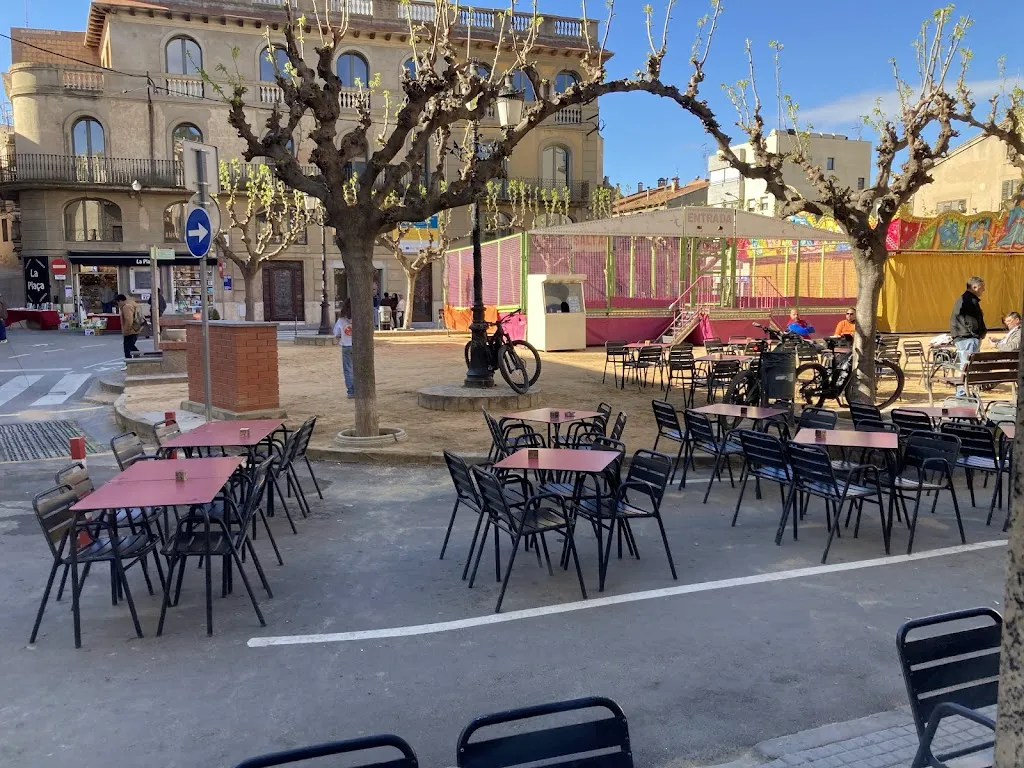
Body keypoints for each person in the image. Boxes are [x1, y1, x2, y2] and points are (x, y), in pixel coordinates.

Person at [950, 276, 987, 395]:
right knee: (966, 367)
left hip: (964, 337)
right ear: (974, 287)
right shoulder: (969, 300)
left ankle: (965, 392)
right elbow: (971, 321)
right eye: (982, 287)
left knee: (966, 366)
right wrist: (977, 334)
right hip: (968, 338)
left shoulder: (965, 299)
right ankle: (962, 393)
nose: (984, 290)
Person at [333, 298, 355, 399]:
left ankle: (351, 391)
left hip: (346, 345)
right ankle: (360, 389)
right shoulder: (359, 318)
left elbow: (337, 333)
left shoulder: (341, 320)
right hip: (358, 346)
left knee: (348, 369)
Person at [116, 293, 142, 367]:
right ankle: (135, 359)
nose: (118, 305)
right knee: (130, 346)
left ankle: (130, 363)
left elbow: (129, 319)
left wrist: (126, 330)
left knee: (127, 347)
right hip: (135, 328)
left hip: (131, 330)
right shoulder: (131, 303)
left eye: (118, 303)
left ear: (120, 301)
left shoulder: (126, 307)